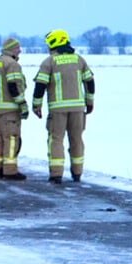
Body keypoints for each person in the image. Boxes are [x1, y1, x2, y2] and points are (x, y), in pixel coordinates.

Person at [32, 29, 95, 183]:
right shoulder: (79, 60)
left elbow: (40, 85)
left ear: (54, 43)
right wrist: (89, 102)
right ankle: (77, 173)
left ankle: (56, 174)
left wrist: (36, 105)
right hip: (78, 109)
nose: (48, 47)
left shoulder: (49, 62)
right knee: (77, 139)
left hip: (57, 110)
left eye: (49, 44)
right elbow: (90, 82)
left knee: (56, 140)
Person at [0, 37, 29, 180]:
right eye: (18, 48)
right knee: (11, 139)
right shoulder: (12, 64)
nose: (20, 51)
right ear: (11, 49)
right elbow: (13, 86)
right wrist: (22, 104)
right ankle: (10, 171)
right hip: (10, 110)